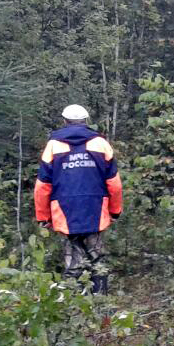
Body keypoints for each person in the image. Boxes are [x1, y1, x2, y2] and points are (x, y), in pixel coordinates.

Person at [34, 104, 123, 294]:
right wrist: (115, 211)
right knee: (97, 258)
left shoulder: (53, 146)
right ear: (86, 120)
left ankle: (73, 305)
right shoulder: (100, 144)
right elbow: (114, 183)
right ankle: (101, 304)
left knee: (72, 260)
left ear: (64, 121)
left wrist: (44, 217)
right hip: (96, 209)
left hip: (64, 211)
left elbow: (42, 186)